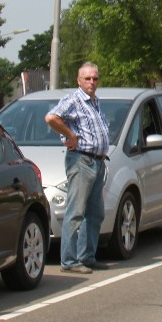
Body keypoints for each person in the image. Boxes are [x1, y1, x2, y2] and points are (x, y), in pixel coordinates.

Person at [45, 61, 111, 274]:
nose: (92, 82)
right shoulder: (74, 99)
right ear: (79, 80)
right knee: (75, 212)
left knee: (95, 213)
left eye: (95, 78)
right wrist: (70, 135)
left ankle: (87, 257)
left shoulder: (95, 101)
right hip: (82, 160)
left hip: (98, 161)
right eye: (87, 78)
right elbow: (51, 117)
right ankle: (69, 260)